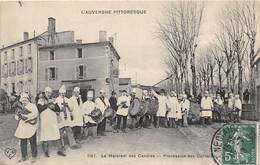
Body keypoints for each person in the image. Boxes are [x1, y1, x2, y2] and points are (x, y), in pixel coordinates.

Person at [37, 87, 66, 157]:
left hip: (53, 120)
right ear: (45, 92)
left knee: (56, 135)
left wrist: (54, 107)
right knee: (45, 137)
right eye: (48, 93)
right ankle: (46, 152)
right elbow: (39, 109)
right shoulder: (41, 100)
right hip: (45, 121)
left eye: (50, 93)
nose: (49, 94)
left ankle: (60, 151)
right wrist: (48, 105)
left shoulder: (53, 99)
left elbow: (58, 109)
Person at [14, 93, 39, 163]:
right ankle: (24, 156)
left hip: (31, 125)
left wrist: (26, 117)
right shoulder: (20, 107)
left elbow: (35, 114)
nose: (24, 101)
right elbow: (16, 118)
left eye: (25, 100)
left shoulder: (32, 106)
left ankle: (34, 156)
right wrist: (18, 115)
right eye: (23, 100)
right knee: (23, 142)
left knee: (32, 141)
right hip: (23, 126)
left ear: (28, 100)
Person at [55, 85, 80, 150]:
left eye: (64, 93)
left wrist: (68, 106)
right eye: (61, 93)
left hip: (67, 118)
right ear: (59, 93)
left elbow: (71, 109)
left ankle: (73, 144)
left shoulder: (67, 100)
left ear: (65, 93)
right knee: (60, 133)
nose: (63, 94)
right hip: (61, 117)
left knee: (69, 131)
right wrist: (60, 108)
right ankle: (61, 146)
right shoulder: (57, 100)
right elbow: (55, 109)